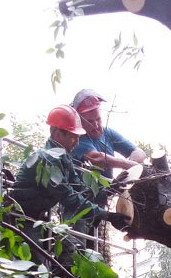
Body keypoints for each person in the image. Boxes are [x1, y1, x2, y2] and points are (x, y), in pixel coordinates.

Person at [9, 104, 132, 267]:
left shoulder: (64, 159)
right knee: (35, 267)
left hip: (37, 220)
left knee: (68, 252)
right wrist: (107, 216)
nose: (77, 141)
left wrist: (111, 189)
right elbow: (71, 199)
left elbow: (81, 189)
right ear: (56, 133)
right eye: (73, 136)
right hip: (20, 219)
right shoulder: (47, 160)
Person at [70, 89, 146, 178]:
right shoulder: (77, 139)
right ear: (80, 122)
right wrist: (130, 165)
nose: (96, 125)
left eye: (98, 119)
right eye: (90, 122)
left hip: (109, 188)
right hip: (86, 191)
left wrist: (127, 172)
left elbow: (139, 152)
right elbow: (97, 158)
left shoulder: (107, 133)